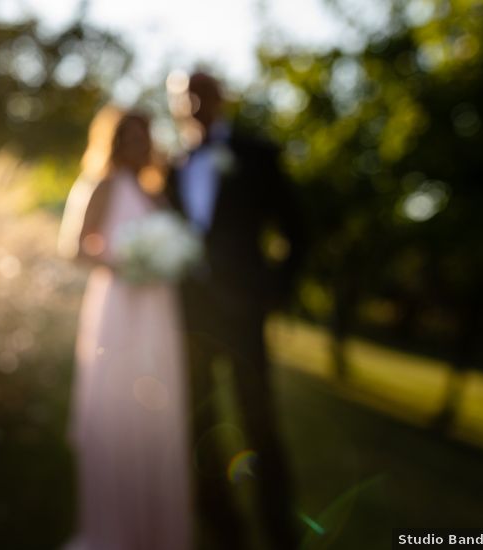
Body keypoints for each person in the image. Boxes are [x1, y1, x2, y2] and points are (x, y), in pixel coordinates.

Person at [165, 71, 307, 549]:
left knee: (260, 423)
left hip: (244, 316)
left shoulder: (256, 153)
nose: (192, 103)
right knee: (198, 425)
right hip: (189, 318)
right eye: (183, 96)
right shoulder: (172, 164)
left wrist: (272, 290)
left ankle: (279, 529)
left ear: (219, 98)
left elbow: (297, 229)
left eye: (200, 94)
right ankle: (225, 531)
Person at [59, 105, 193, 550]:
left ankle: (158, 531)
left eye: (144, 137)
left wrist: (167, 260)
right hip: (118, 307)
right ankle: (113, 529)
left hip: (157, 312)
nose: (138, 145)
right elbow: (73, 248)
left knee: (157, 414)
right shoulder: (101, 185)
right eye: (129, 137)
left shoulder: (156, 191)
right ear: (114, 141)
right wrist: (125, 261)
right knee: (117, 410)